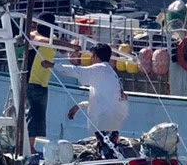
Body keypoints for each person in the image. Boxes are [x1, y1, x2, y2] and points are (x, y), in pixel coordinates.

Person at [57, 43, 129, 157]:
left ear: (95, 56)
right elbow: (103, 99)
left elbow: (77, 71)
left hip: (105, 121)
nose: (91, 59)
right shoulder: (109, 72)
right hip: (112, 120)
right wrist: (79, 106)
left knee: (106, 154)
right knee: (107, 151)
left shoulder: (100, 69)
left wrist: (54, 66)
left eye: (92, 56)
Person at [24, 12, 71, 154]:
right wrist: (68, 45)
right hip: (31, 80)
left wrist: (71, 47)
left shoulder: (53, 38)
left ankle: (31, 146)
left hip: (43, 81)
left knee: (39, 115)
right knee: (32, 114)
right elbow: (45, 41)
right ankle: (28, 147)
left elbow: (58, 47)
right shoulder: (34, 35)